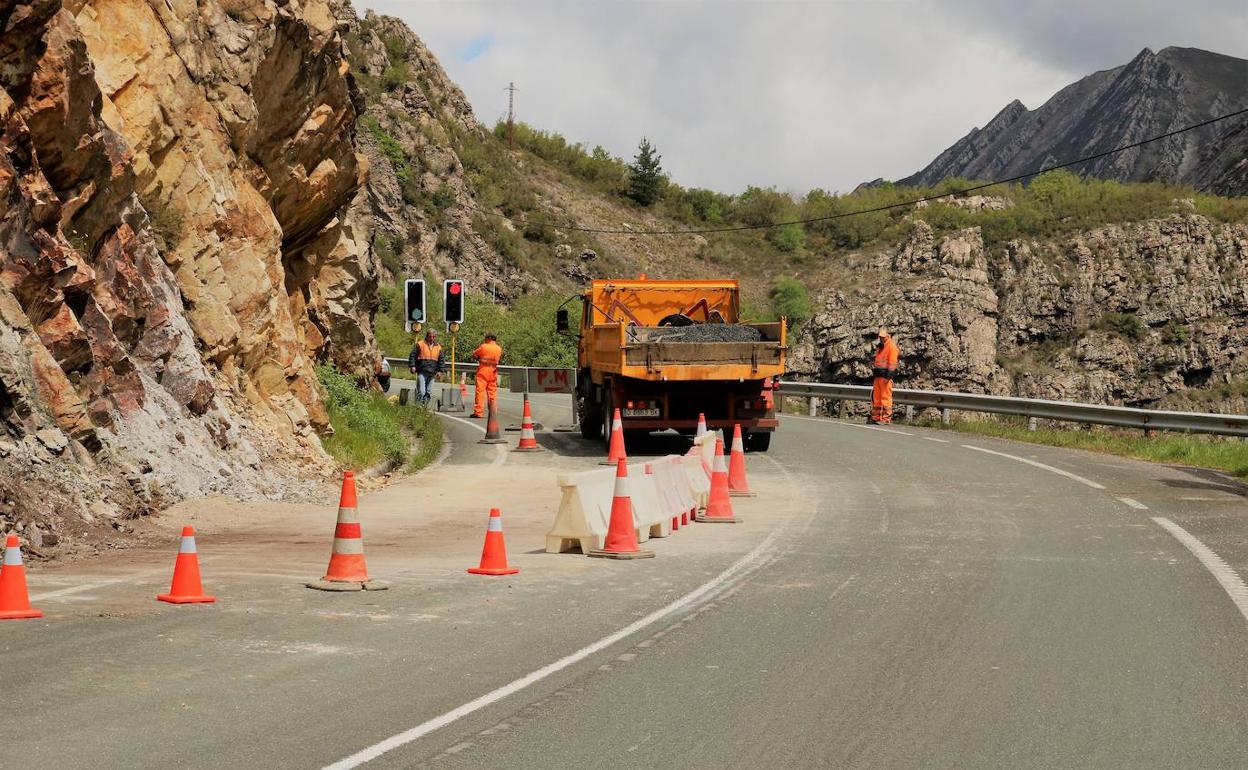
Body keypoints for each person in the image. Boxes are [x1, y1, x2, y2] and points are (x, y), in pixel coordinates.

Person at [869, 327, 899, 424]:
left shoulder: (891, 346)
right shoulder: (881, 347)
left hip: (885, 376)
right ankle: (876, 417)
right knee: (877, 398)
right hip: (878, 375)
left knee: (885, 398)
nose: (881, 338)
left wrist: (888, 376)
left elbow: (892, 363)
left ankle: (885, 419)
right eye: (880, 337)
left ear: (887, 336)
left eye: (883, 337)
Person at [470, 332, 503, 418]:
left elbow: (474, 354)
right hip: (493, 371)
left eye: (485, 338)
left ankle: (478, 412)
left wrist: (478, 357)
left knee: (480, 391)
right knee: (492, 392)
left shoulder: (483, 346)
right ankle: (493, 411)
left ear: (489, 338)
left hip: (483, 370)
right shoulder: (499, 348)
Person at [408, 330, 445, 405]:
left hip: (432, 373)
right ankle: (418, 406)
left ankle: (424, 407)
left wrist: (440, 371)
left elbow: (441, 360)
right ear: (427, 336)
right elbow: (413, 355)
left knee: (429, 393)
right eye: (430, 336)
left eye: (433, 337)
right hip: (422, 371)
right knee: (422, 391)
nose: (432, 338)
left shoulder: (438, 347)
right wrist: (412, 366)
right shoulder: (420, 344)